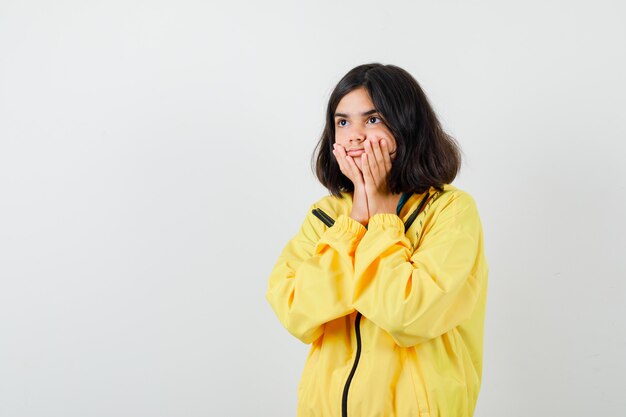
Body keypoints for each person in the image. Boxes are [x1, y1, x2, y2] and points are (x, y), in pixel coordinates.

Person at [266, 63, 489, 417]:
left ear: (406, 126)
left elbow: (408, 314)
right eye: (342, 122)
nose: (354, 135)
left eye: (372, 120)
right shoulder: (325, 216)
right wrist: (355, 222)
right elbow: (296, 311)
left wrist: (383, 217)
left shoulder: (451, 210)